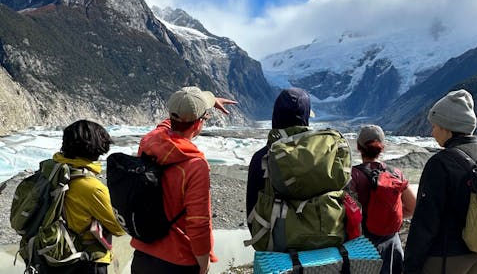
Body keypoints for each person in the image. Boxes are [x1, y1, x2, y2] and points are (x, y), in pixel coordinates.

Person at [130, 86, 237, 274]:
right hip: (178, 262)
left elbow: (167, 124)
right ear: (198, 125)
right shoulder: (196, 165)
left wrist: (208, 102)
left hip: (143, 256)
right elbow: (198, 222)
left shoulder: (150, 141)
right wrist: (204, 263)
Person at [403, 89, 477, 274]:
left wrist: (410, 265)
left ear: (447, 128)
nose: (432, 132)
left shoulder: (440, 163)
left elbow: (425, 220)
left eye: (435, 126)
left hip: (446, 256)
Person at [52, 119, 126, 274]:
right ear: (96, 149)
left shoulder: (52, 172)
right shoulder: (92, 187)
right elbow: (119, 227)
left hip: (52, 254)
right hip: (85, 261)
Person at [349, 124, 416, 274]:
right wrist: (387, 217)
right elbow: (412, 207)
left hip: (363, 245)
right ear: (382, 148)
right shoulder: (396, 173)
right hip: (392, 243)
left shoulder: (353, 176)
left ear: (359, 147)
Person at [245, 87, 313, 220]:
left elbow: (251, 212)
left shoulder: (262, 157)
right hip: (323, 238)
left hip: (277, 238)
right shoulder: (323, 152)